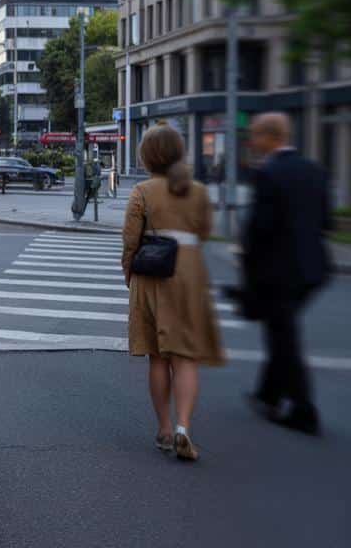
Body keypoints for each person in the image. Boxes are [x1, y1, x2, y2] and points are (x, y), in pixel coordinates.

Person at [120, 123, 224, 462]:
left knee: (158, 356)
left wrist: (128, 272)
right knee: (186, 357)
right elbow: (205, 232)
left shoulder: (142, 191)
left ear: (147, 156)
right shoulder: (197, 191)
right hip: (189, 274)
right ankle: (183, 427)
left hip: (154, 275)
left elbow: (130, 240)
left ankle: (164, 428)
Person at [240, 112, 331, 435]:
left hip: (279, 271)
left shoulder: (269, 174)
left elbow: (257, 231)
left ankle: (304, 410)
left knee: (285, 338)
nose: (251, 142)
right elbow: (326, 222)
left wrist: (248, 274)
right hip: (314, 269)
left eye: (255, 136)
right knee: (283, 330)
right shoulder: (315, 171)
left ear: (270, 137)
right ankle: (268, 393)